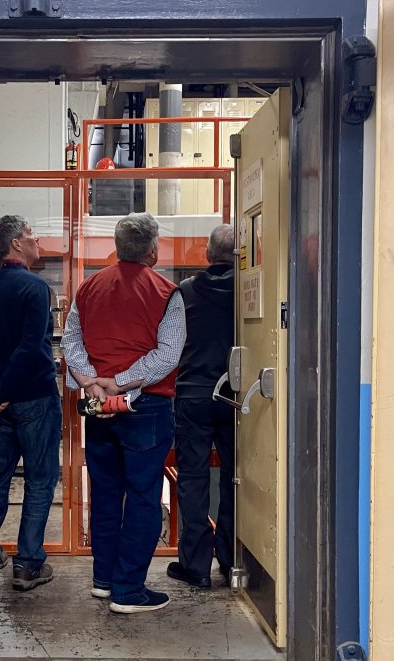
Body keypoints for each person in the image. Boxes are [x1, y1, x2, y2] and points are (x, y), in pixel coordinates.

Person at [61, 212, 185, 614]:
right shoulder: (168, 293)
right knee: (144, 496)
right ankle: (128, 590)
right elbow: (167, 354)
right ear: (153, 250)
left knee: (106, 491)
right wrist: (123, 382)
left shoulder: (88, 288)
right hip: (145, 406)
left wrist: (91, 381)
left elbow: (71, 341)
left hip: (97, 406)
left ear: (116, 248)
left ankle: (103, 579)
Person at [0, 215, 61, 591]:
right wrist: (1, 393)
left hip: (0, 406)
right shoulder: (36, 289)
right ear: (17, 244)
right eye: (31, 234)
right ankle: (28, 564)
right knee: (40, 481)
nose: (37, 240)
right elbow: (29, 349)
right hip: (34, 399)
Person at [168, 224, 236, 589]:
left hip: (193, 394)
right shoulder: (248, 289)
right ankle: (231, 560)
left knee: (192, 479)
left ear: (208, 254)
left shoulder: (186, 292)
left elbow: (171, 344)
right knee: (235, 478)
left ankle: (195, 567)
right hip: (236, 395)